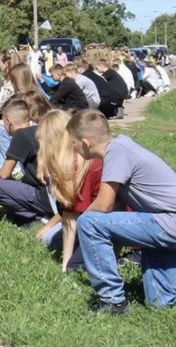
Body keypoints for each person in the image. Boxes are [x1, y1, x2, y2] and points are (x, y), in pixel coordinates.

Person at [70, 110, 176, 314]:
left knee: (89, 222)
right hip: (162, 219)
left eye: (73, 143)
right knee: (160, 305)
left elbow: (104, 205)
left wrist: (82, 220)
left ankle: (113, 301)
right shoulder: (122, 146)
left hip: (168, 221)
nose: (73, 149)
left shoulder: (116, 151)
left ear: (85, 142)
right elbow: (116, 209)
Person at [34, 109, 100, 273]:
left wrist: (66, 264)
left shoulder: (80, 166)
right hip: (88, 220)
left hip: (101, 224)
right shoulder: (72, 160)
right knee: (48, 238)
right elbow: (69, 212)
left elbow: (72, 218)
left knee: (73, 266)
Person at [0, 97, 55, 225]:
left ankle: (32, 216)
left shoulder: (20, 135)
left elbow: (5, 174)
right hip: (56, 194)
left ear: (8, 121)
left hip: (44, 196)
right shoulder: (39, 130)